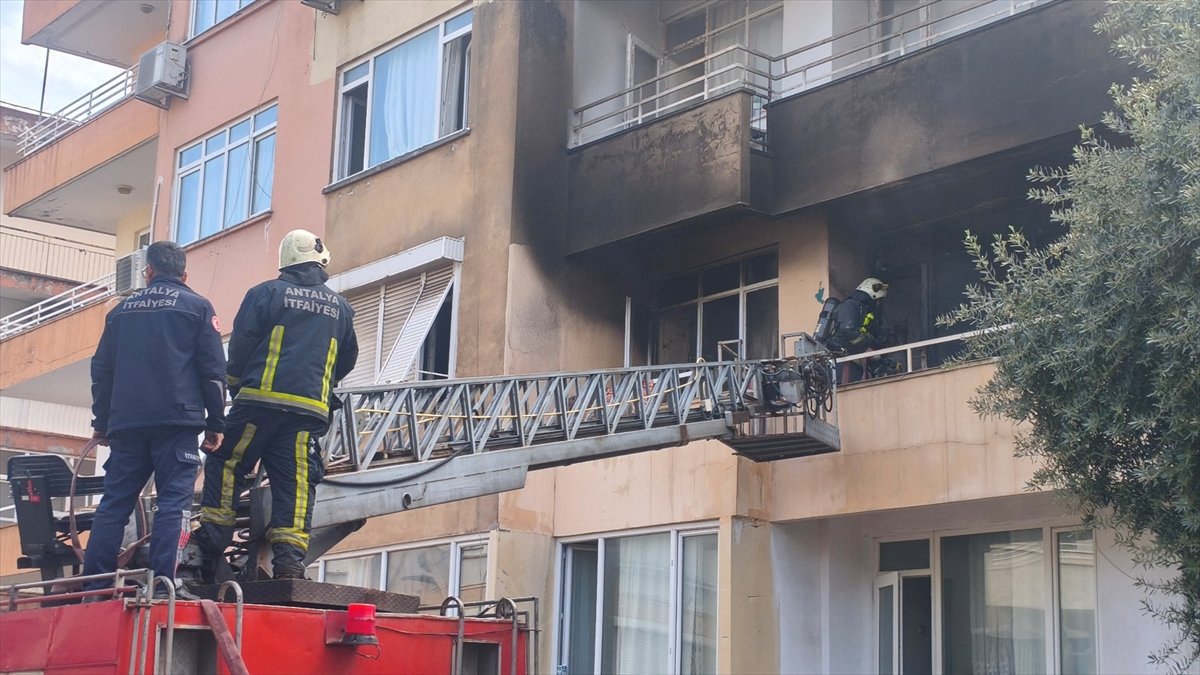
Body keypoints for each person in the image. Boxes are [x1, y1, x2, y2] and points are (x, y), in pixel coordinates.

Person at [191, 229, 358, 580]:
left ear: (286, 262)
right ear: (319, 261)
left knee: (227, 460)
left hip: (258, 405)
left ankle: (211, 542)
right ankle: (289, 564)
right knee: (295, 484)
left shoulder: (265, 294)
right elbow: (347, 360)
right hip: (306, 414)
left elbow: (240, 347)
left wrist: (235, 388)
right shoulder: (341, 307)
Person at [83, 241, 226, 597]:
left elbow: (101, 371)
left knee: (115, 503)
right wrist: (216, 422)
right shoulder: (197, 307)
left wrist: (102, 421)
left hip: (127, 425)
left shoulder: (120, 312)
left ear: (148, 271)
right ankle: (164, 583)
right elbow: (212, 371)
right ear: (184, 274)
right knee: (173, 503)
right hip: (177, 425)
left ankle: (94, 586)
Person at [823, 277, 891, 382]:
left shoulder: (864, 312)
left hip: (853, 363)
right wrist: (866, 346)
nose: (878, 303)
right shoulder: (850, 306)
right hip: (840, 361)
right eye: (878, 300)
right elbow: (848, 330)